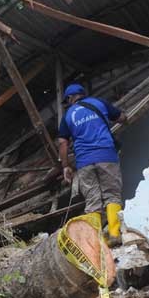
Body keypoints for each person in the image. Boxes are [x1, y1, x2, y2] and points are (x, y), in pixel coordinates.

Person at [57, 83, 128, 245]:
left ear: (70, 98)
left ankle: (95, 243)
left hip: (84, 162)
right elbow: (121, 118)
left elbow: (62, 143)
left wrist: (66, 166)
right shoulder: (99, 103)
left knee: (92, 201)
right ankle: (114, 234)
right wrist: (125, 118)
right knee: (112, 195)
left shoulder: (68, 115)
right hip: (106, 156)